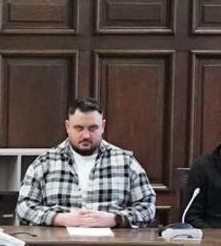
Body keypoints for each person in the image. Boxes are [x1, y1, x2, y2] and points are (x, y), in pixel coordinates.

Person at [16, 96, 157, 228]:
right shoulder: (44, 163)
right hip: (59, 243)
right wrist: (59, 219)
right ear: (67, 126)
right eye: (78, 128)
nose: (86, 135)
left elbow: (148, 207)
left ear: (103, 126)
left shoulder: (126, 163)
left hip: (113, 243)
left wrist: (115, 219)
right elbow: (24, 207)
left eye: (93, 128)